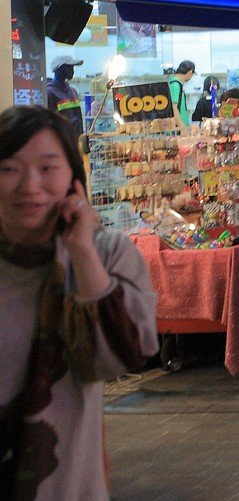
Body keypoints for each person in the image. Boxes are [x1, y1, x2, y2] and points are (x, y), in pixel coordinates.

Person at [0, 106, 158, 498]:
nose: (29, 185)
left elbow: (123, 357)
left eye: (48, 168)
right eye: (9, 168)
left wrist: (81, 251)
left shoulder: (107, 254)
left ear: (74, 178)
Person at [46, 55, 85, 134]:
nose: (72, 71)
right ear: (59, 69)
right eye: (69, 68)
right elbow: (50, 123)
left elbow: (78, 117)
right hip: (61, 141)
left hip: (75, 140)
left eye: (72, 68)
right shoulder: (49, 93)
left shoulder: (73, 91)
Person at [167, 60, 196, 126]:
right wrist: (182, 127)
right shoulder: (175, 85)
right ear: (190, 72)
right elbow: (174, 108)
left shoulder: (177, 84)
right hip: (177, 130)